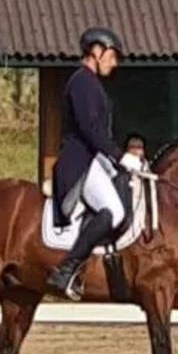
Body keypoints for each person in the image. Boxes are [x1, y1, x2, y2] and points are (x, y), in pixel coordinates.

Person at [47, 27, 129, 300]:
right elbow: (89, 130)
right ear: (96, 51)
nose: (114, 63)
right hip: (80, 160)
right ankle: (67, 268)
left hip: (95, 159)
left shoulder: (92, 84)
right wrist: (120, 156)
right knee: (113, 211)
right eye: (112, 56)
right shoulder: (82, 82)